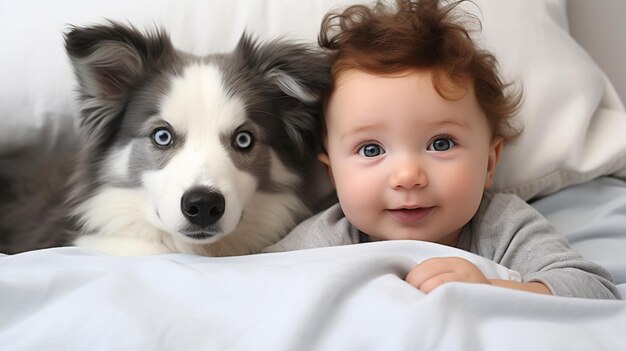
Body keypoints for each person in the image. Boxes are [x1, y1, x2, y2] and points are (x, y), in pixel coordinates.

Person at [264, 0, 620, 299]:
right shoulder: (328, 238)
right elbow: (248, 285)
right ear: (332, 174)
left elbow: (595, 289)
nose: (407, 176)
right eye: (371, 150)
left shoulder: (502, 226)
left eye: (441, 143)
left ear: (489, 162)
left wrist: (491, 289)